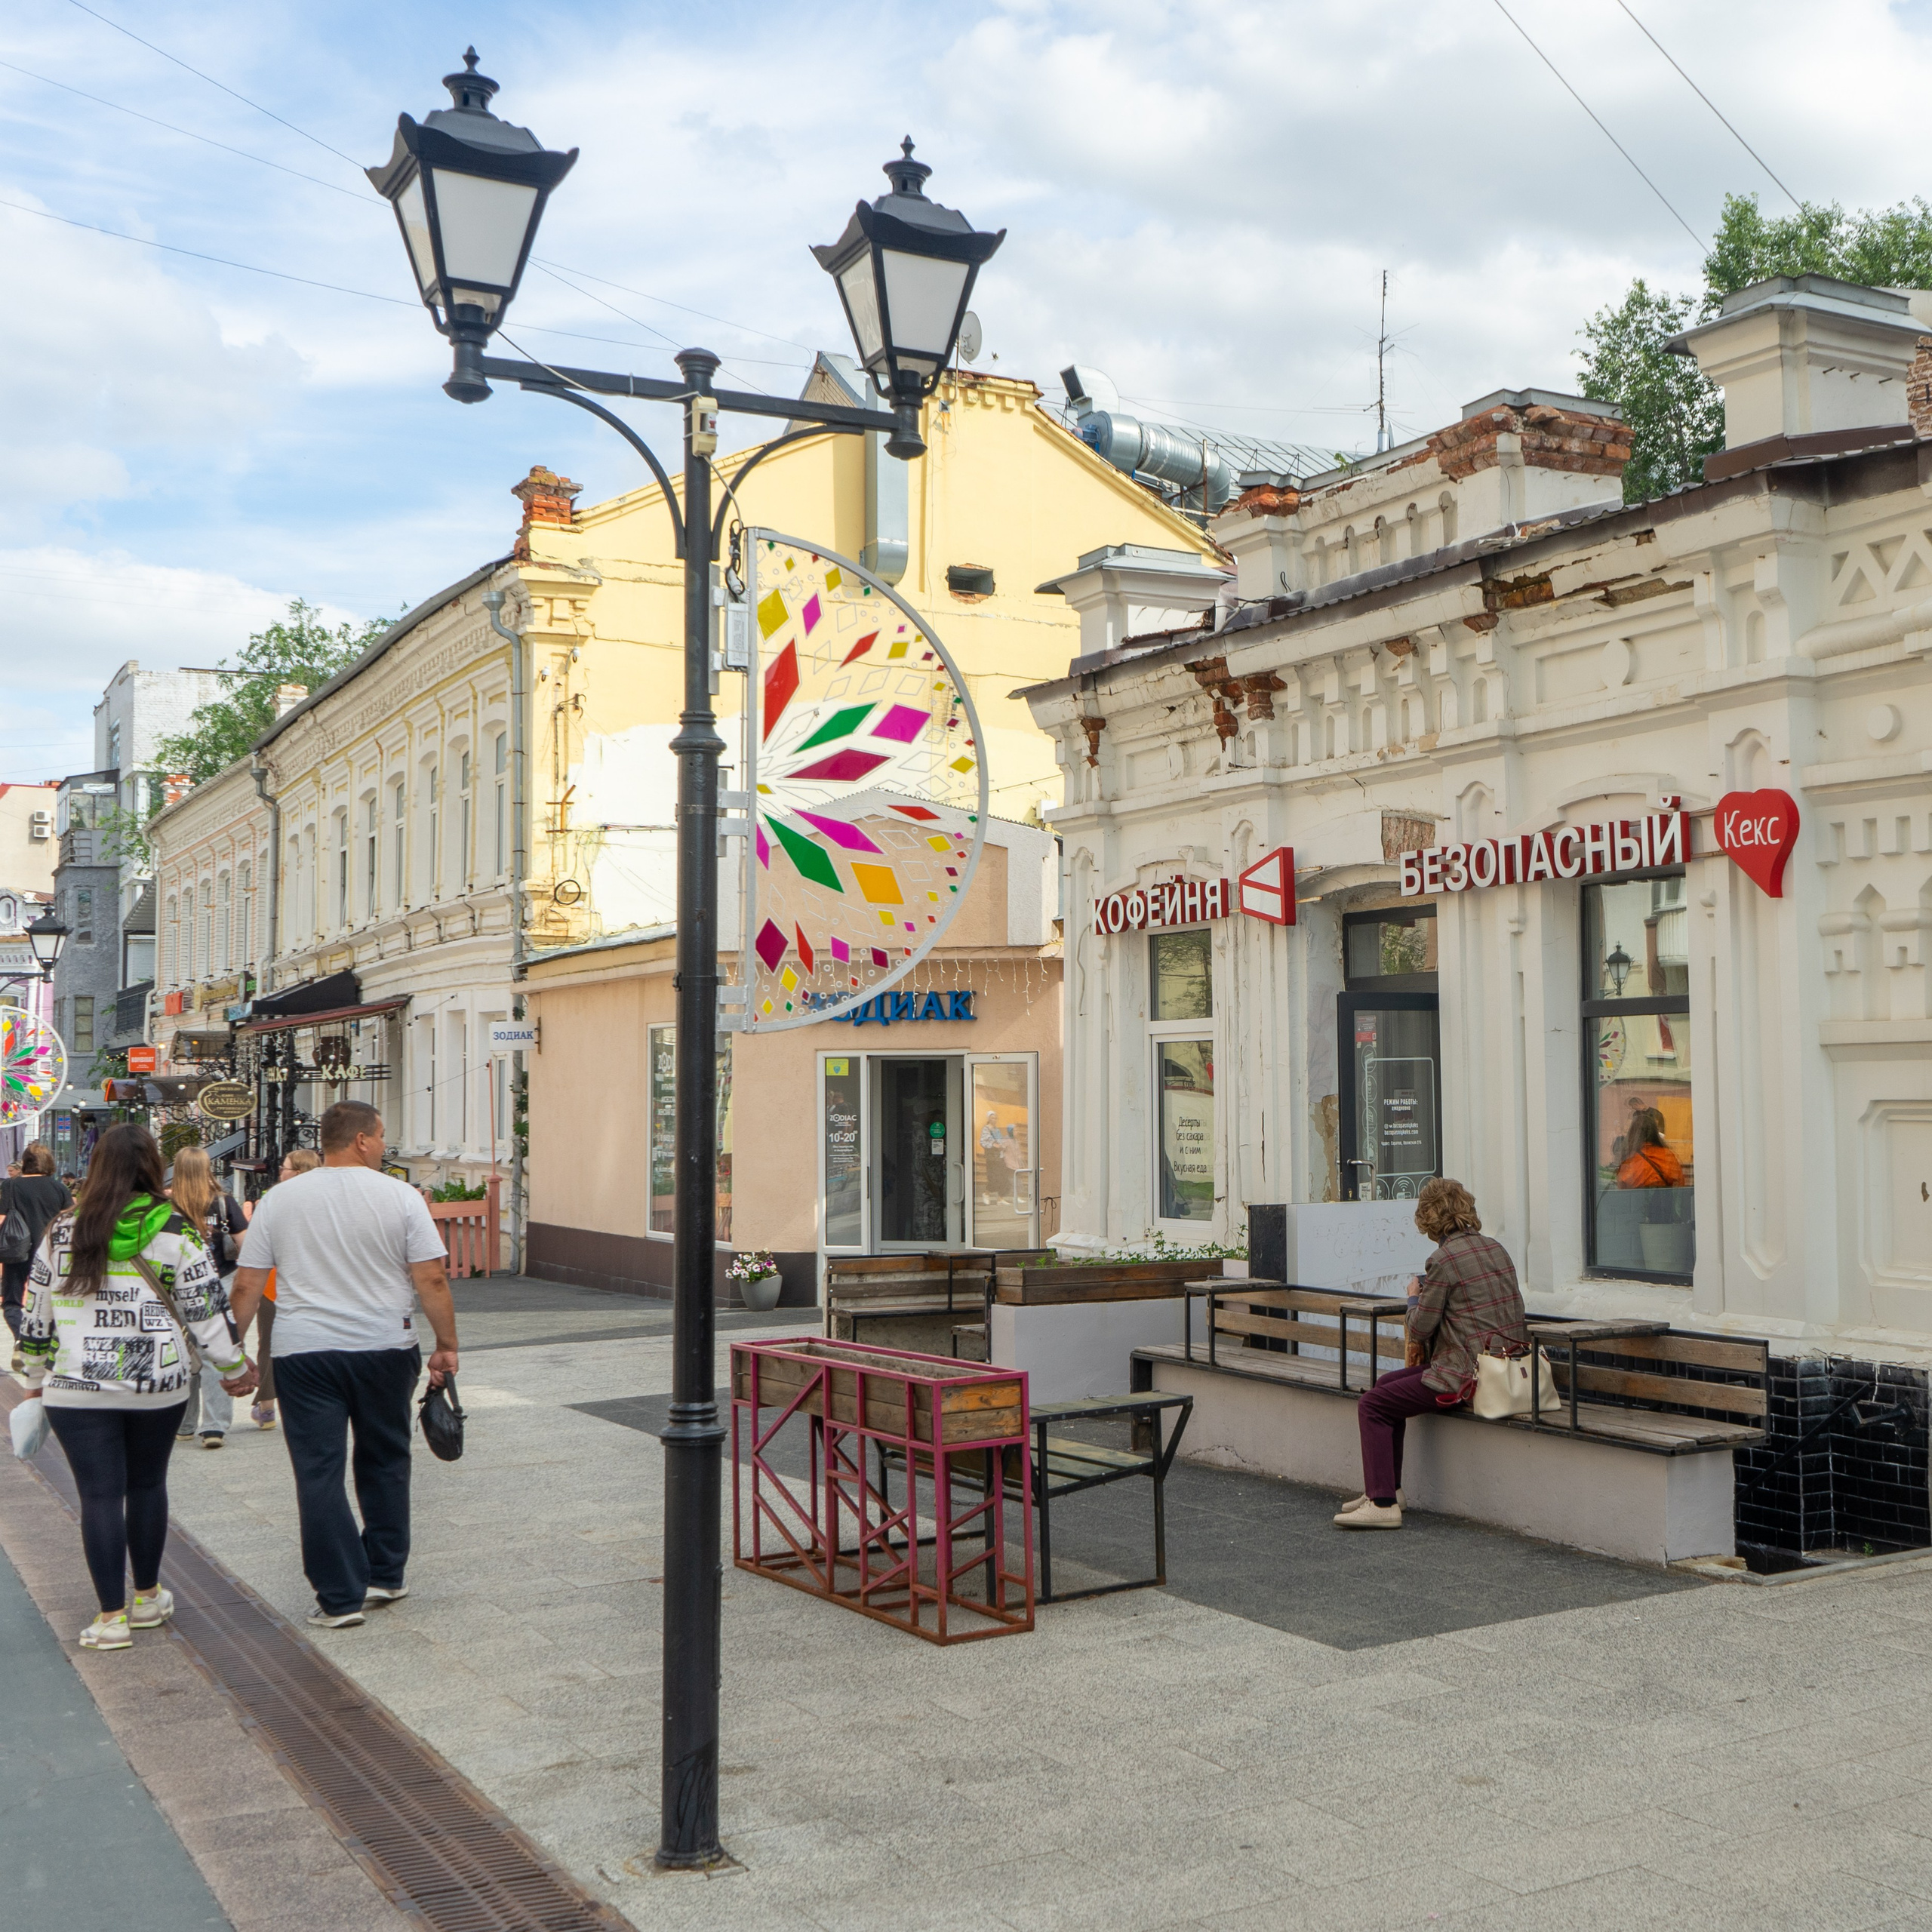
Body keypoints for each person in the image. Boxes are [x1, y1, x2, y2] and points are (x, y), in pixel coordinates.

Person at [16, 1124, 254, 1649]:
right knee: (147, 1485)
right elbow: (205, 1312)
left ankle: (110, 1618)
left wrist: (32, 1381)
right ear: (152, 1166)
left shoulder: (62, 1230)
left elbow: (37, 1312)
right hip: (159, 1384)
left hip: (76, 1386)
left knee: (99, 1496)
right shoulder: (176, 1229)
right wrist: (234, 1369)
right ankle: (147, 1597)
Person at [229, 1102, 458, 1630]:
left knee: (318, 1471)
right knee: (385, 1457)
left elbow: (246, 1283)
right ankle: (385, 1572)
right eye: (380, 1136)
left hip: (304, 1351)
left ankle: (339, 1597)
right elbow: (432, 1279)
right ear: (361, 1140)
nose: (383, 1145)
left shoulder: (279, 1200)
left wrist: (233, 1354)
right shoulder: (401, 1197)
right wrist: (446, 1343)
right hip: (384, 1346)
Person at [1337, 1177, 1527, 1531]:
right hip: (1505, 1368)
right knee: (1385, 1386)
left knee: (1373, 1405)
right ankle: (1388, 1489)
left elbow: (1421, 1328)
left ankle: (1382, 1505)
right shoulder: (1495, 1248)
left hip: (1467, 1378)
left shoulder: (1442, 1260)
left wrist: (1414, 1297)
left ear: (1428, 1219)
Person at [168, 1146, 251, 1448]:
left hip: (178, 1286)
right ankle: (214, 1427)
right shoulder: (224, 1203)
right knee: (216, 1351)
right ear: (207, 1168)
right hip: (219, 1283)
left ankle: (185, 1424)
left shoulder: (167, 1204)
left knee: (184, 1352)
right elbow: (246, 1244)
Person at [247, 1147, 321, 1429]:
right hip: (312, 1284)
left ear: (298, 1172)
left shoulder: (273, 1201)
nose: (280, 1172)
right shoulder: (325, 1203)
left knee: (268, 1345)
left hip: (274, 1284)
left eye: (285, 1168)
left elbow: (258, 1245)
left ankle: (267, 1409)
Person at [3, 1143, 71, 1370]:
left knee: (12, 1301)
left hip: (17, 1251)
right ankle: (46, 1348)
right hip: (51, 1253)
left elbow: (2, 1219)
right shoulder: (60, 1189)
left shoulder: (10, 1186)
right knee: (52, 1301)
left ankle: (22, 1338)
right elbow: (68, 1221)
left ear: (24, 1162)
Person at [1616, 1108, 1684, 1189]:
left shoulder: (1630, 1157)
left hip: (1635, 1200)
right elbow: (1679, 1182)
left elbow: (1623, 1184)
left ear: (1633, 1133)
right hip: (1664, 1200)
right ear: (1655, 1132)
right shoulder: (1667, 1155)